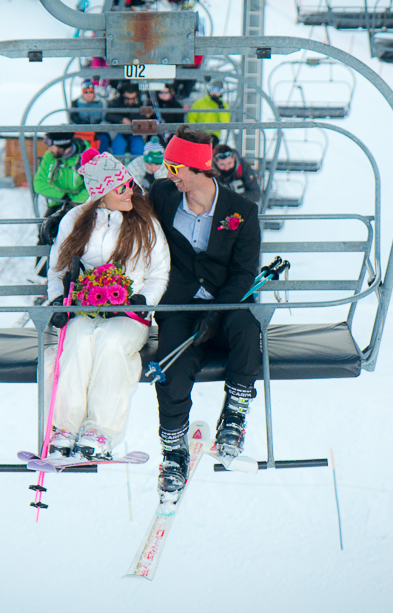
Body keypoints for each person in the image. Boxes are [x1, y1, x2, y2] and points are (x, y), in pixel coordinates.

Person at [148, 125, 261, 502]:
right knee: (172, 364)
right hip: (179, 303)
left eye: (173, 166)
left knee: (247, 324)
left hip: (225, 300)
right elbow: (127, 216)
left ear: (197, 168)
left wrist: (216, 312)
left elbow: (245, 272)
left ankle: (235, 413)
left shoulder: (241, 211)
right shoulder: (163, 195)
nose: (168, 174)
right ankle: (174, 449)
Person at [44, 149, 170, 459]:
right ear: (100, 192)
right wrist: (58, 301)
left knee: (111, 344)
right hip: (84, 309)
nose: (130, 191)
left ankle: (99, 430)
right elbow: (57, 270)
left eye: (129, 183)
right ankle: (65, 428)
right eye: (121, 187)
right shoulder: (75, 220)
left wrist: (143, 301)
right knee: (76, 341)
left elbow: (159, 273)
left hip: (129, 314)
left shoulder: (145, 222)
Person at [33, 132, 91, 216]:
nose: (50, 149)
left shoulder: (88, 156)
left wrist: (75, 202)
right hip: (59, 202)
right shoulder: (50, 155)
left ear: (64, 147)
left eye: (53, 147)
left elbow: (94, 185)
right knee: (46, 226)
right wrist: (63, 197)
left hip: (83, 203)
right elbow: (38, 182)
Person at [106, 82, 152, 156]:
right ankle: (118, 167)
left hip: (136, 132)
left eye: (133, 98)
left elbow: (147, 116)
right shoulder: (117, 102)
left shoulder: (141, 103)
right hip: (120, 131)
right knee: (118, 148)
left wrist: (134, 120)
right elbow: (108, 115)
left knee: (138, 148)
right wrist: (122, 119)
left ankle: (135, 167)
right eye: (127, 98)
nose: (131, 101)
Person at [69, 80, 110, 153]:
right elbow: (73, 117)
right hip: (82, 131)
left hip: (99, 130)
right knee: (79, 142)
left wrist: (98, 126)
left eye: (91, 92)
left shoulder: (101, 102)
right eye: (86, 92)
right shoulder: (76, 103)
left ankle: (103, 159)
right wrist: (83, 124)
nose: (88, 94)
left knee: (103, 140)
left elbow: (106, 116)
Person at [186, 79, 230, 145]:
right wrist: (194, 132)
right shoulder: (199, 103)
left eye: (217, 90)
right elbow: (191, 119)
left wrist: (221, 108)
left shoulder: (224, 106)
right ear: (209, 89)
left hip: (214, 135)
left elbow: (225, 122)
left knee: (209, 144)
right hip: (199, 133)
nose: (215, 92)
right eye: (213, 89)